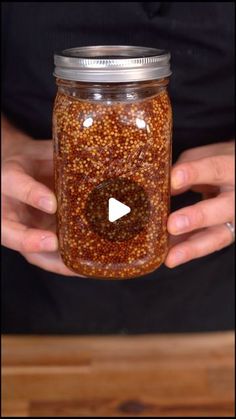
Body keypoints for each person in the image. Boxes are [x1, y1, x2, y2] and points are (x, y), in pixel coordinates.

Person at [2, 2, 235, 334]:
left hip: (209, 275)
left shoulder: (154, 103)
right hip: (33, 269)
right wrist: (6, 145)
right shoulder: (70, 103)